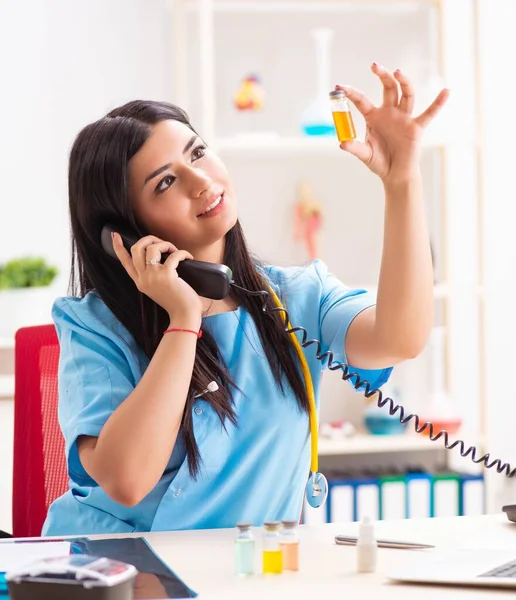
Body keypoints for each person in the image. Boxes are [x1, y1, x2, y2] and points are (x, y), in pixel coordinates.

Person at [42, 64, 448, 535]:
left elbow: (401, 337)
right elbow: (127, 480)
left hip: (248, 573)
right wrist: (183, 320)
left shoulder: (296, 297)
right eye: (165, 183)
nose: (200, 180)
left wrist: (402, 182)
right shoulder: (94, 325)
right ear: (125, 234)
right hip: (122, 574)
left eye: (197, 152)